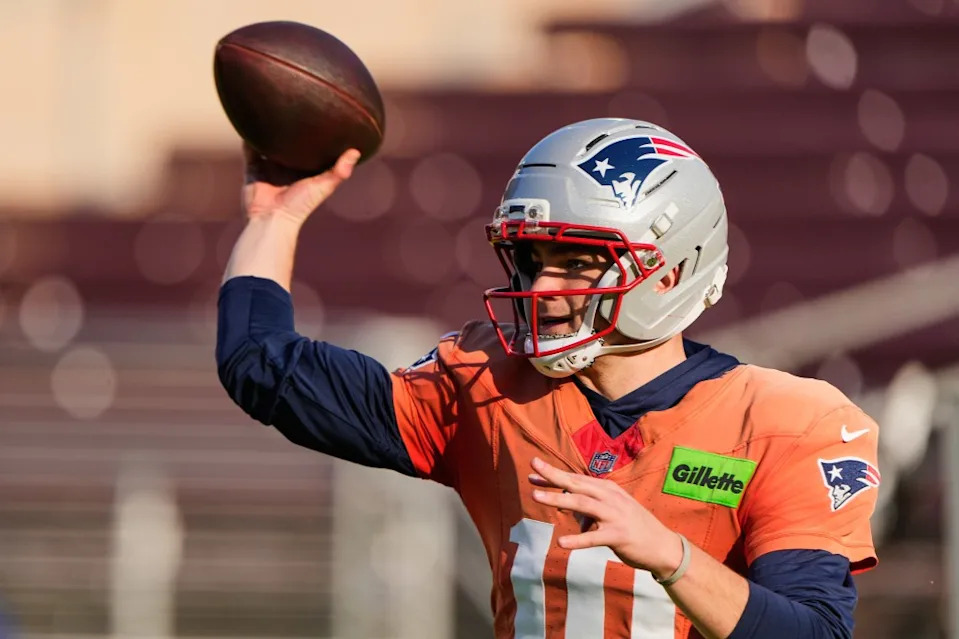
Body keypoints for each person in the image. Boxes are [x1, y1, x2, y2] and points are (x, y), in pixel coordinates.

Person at [216, 118, 880, 638]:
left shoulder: (783, 422)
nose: (543, 289)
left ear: (670, 271)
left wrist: (670, 556)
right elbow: (261, 363)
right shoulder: (487, 387)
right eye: (531, 260)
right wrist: (275, 217)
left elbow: (816, 632)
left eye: (575, 264)